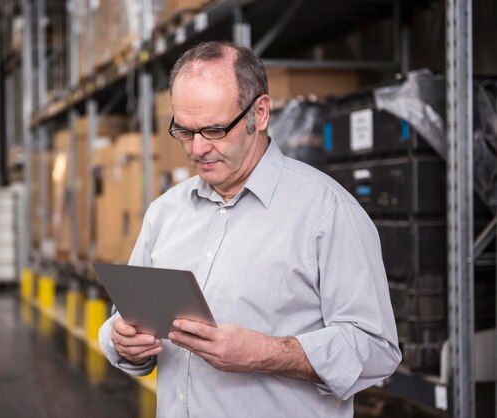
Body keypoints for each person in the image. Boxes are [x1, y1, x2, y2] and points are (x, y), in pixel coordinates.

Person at [99, 41, 401, 418]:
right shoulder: (165, 213)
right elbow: (125, 320)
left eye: (213, 129)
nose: (198, 149)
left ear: (259, 113)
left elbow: (376, 348)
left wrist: (265, 353)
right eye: (184, 131)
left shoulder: (327, 212)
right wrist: (120, 340)